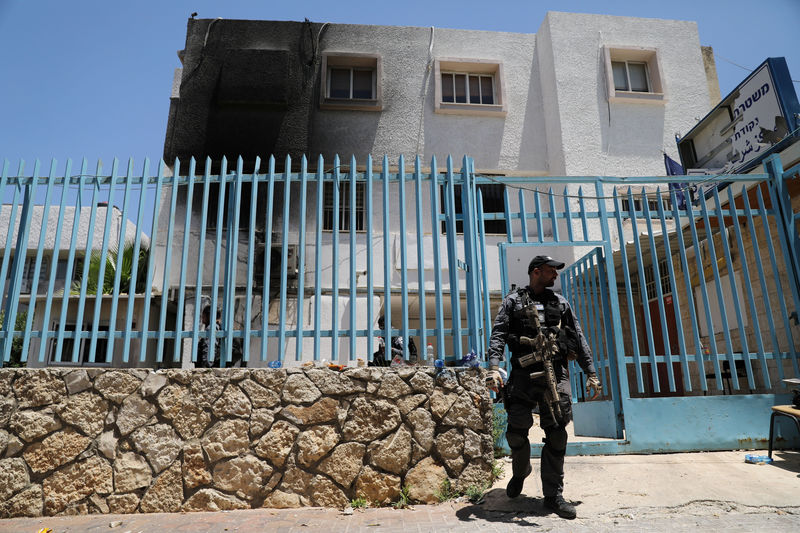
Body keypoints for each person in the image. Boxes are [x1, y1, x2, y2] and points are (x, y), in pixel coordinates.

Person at [486, 255, 601, 519]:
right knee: (516, 432)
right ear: (536, 272)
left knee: (558, 433)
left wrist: (591, 373)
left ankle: (553, 496)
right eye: (551, 271)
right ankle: (520, 470)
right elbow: (499, 334)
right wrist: (493, 368)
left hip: (556, 374)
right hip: (523, 376)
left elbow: (578, 337)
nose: (555, 276)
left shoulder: (560, 303)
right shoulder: (513, 301)